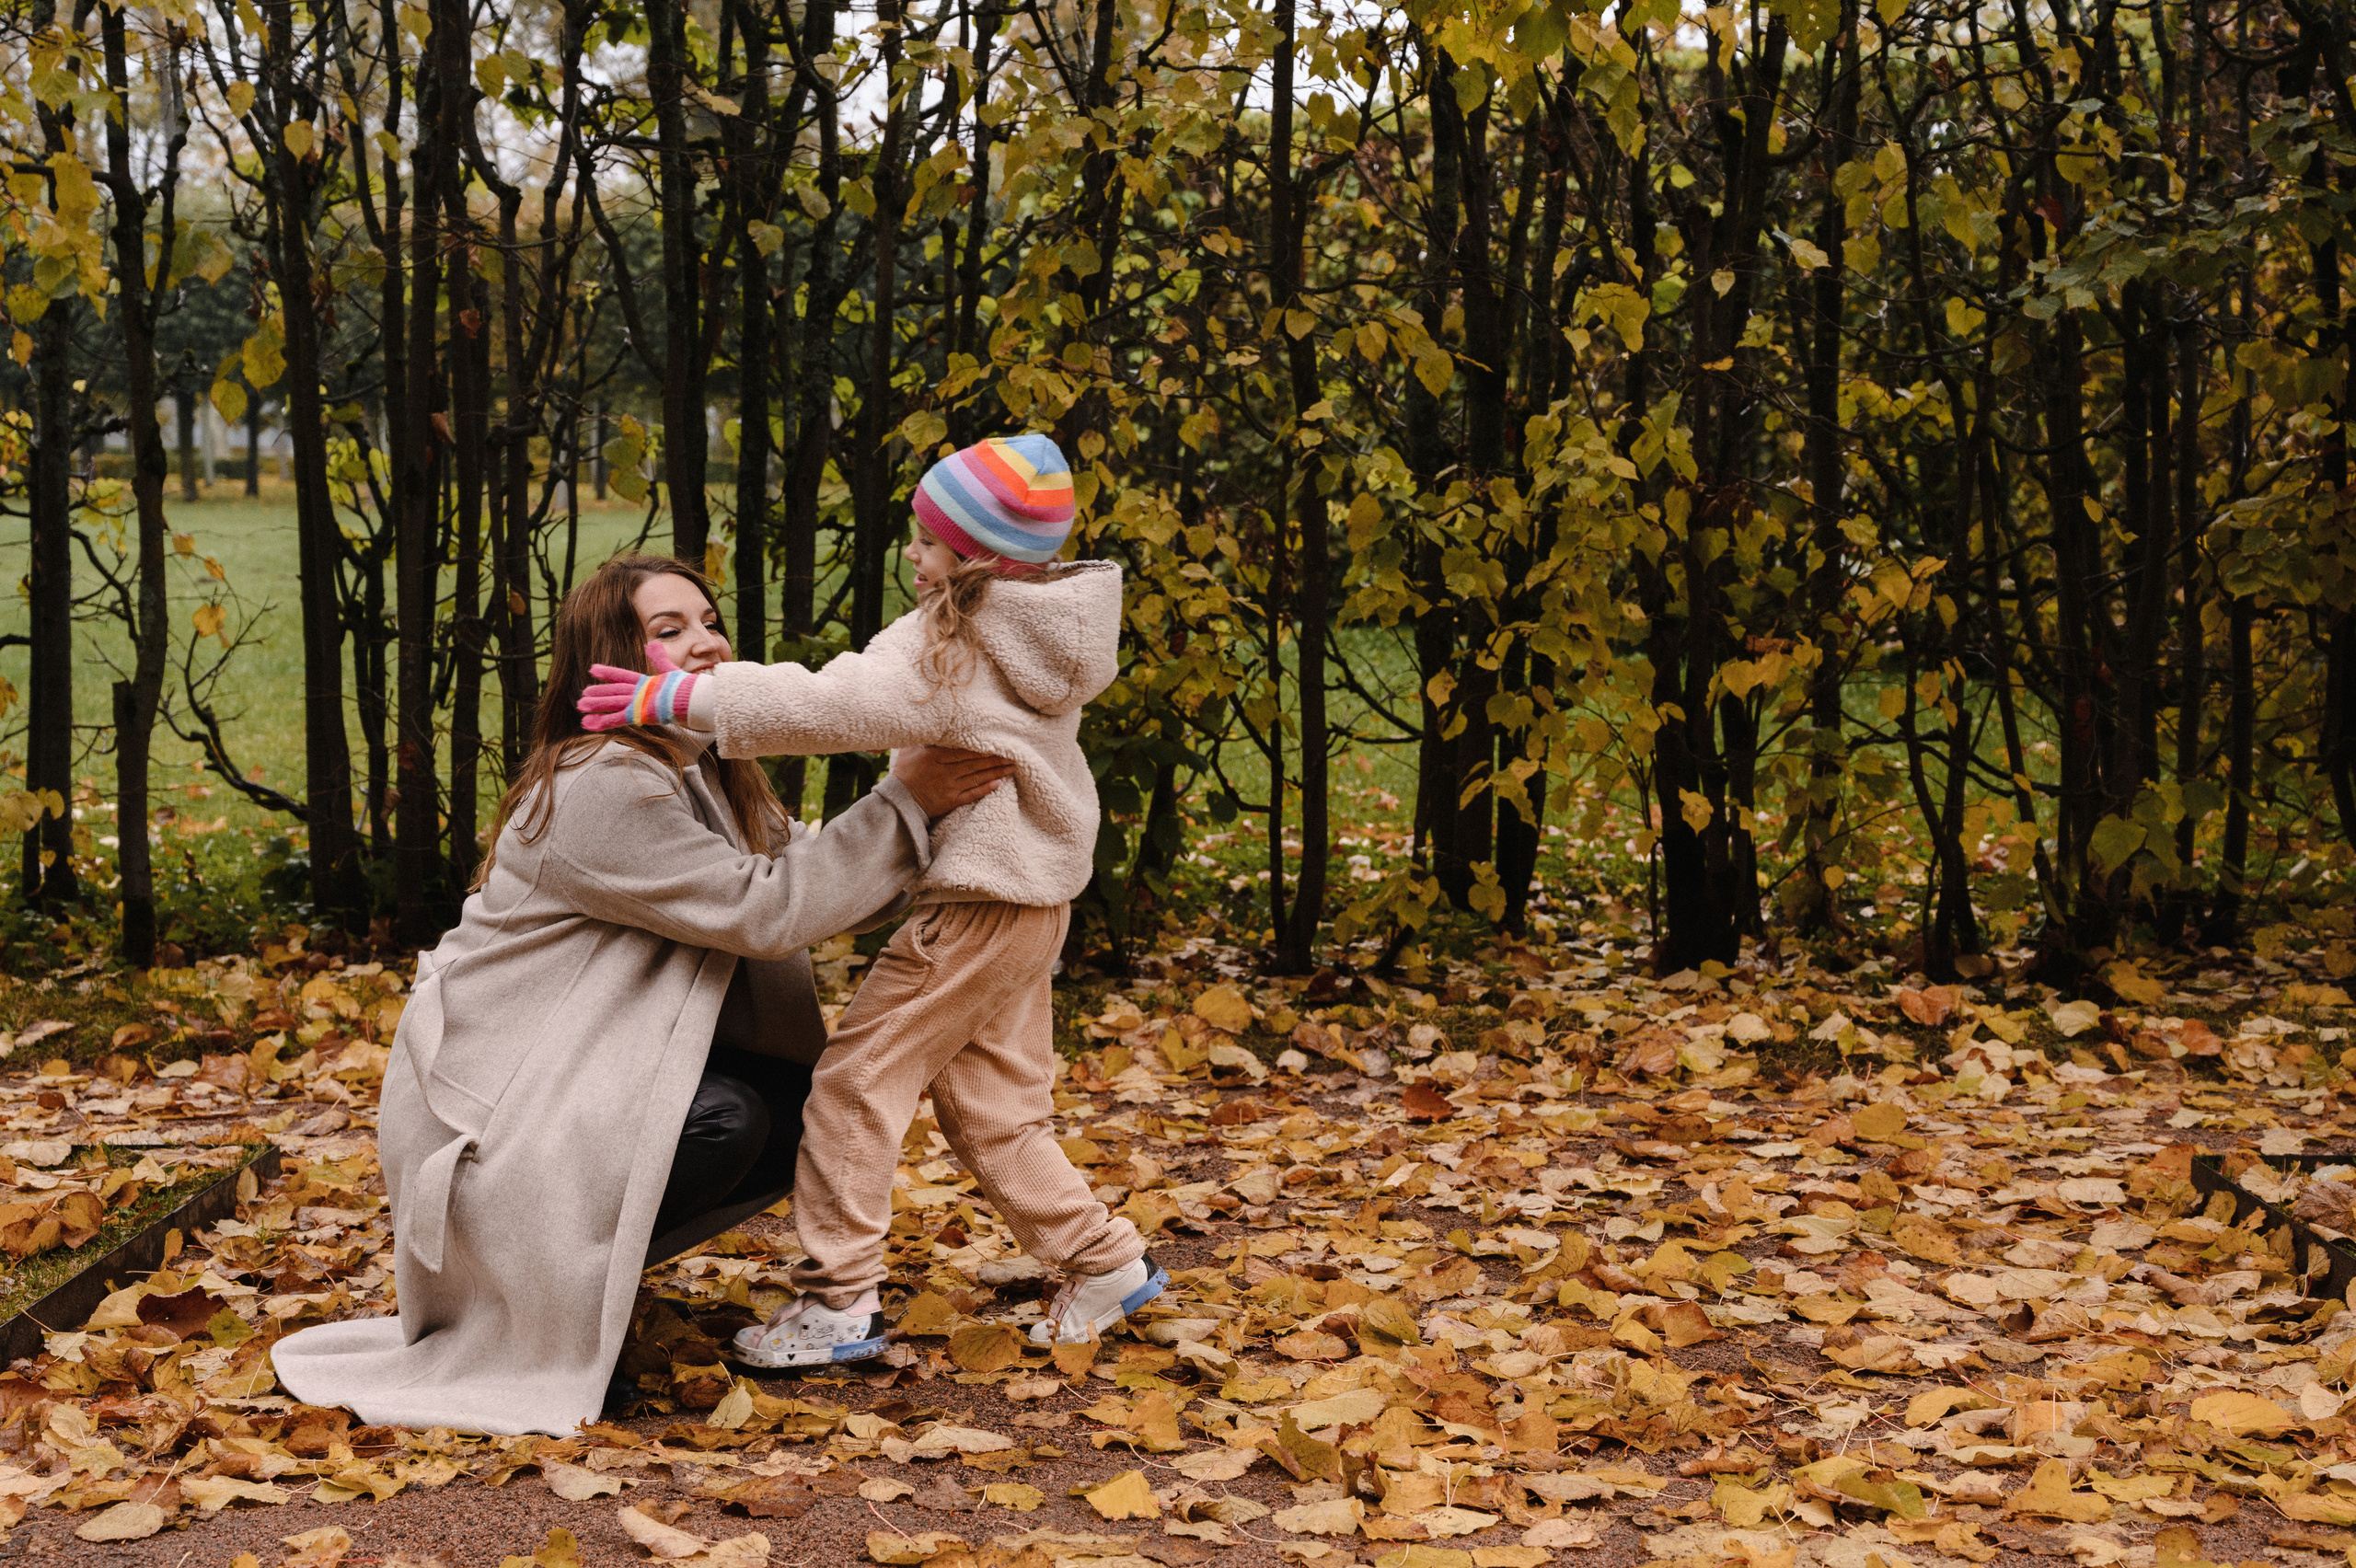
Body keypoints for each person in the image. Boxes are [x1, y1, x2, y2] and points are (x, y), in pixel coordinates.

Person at [270, 554, 1011, 1437]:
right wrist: (906, 800)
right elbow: (765, 906)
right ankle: (540, 1299)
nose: (704, 644)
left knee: (790, 1110)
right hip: (491, 1112)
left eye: (707, 621)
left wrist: (967, 849)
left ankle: (574, 1286)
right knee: (728, 1121)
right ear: (608, 665)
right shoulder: (600, 782)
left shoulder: (704, 767)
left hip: (567, 1090)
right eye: (668, 632)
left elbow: (808, 869)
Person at [578, 434, 1163, 1368]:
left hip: (978, 905)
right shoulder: (1046, 630)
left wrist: (685, 697)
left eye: (929, 542)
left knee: (853, 1084)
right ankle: (1104, 1263)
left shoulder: (962, 638)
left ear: (978, 558)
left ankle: (836, 1303)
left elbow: (836, 701)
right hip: (1028, 900)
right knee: (993, 1106)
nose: (913, 556)